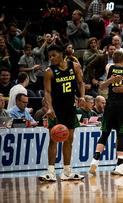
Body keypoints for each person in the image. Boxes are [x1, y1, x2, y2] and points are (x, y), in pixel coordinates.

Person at [38, 44, 85, 182]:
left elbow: (81, 82)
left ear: (61, 54)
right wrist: (49, 107)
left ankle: (66, 171)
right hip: (56, 110)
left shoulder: (74, 66)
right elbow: (47, 92)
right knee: (54, 139)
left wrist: (82, 96)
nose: (51, 58)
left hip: (70, 108)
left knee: (69, 140)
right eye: (49, 56)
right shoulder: (49, 71)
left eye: (54, 55)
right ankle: (51, 172)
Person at [88, 51, 123, 176]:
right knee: (122, 136)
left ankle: (95, 159)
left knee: (105, 134)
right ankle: (119, 166)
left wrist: (110, 80)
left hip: (110, 105)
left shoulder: (109, 68)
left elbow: (103, 87)